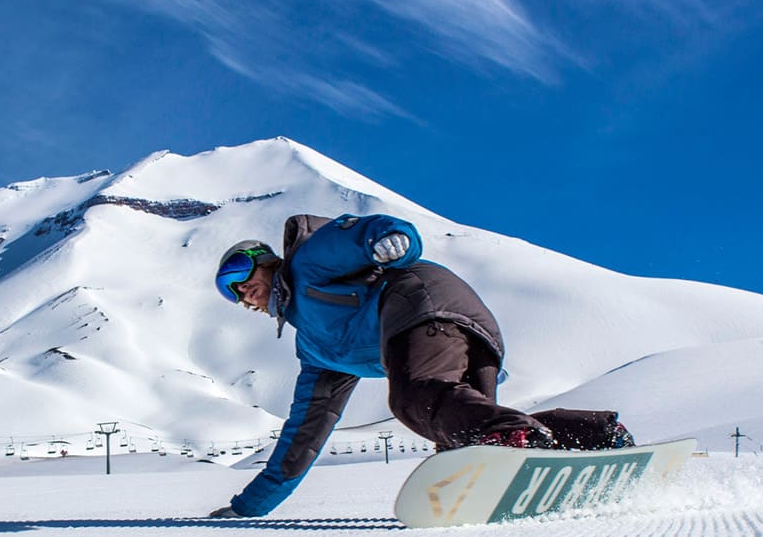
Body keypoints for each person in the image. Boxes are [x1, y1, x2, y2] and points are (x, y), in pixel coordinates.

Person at [209, 213, 634, 518]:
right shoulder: (318, 351)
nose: (241, 289)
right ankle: (592, 434)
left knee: (415, 396)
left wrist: (393, 238)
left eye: (240, 270)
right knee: (466, 443)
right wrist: (247, 507)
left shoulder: (307, 262)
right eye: (230, 292)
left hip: (420, 299)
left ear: (266, 259)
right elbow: (303, 435)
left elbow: (362, 234)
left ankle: (515, 435)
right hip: (471, 327)